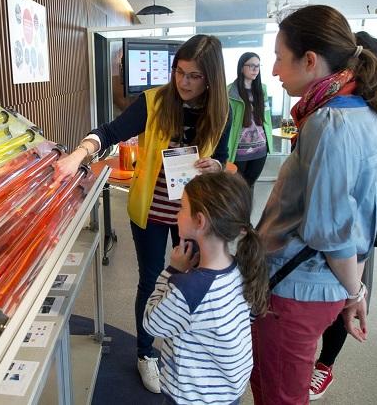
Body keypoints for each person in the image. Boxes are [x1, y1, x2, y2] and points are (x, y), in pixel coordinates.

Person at [54, 34, 232, 394]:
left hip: (193, 214)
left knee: (192, 281)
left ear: (211, 77)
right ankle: (145, 352)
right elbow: (107, 132)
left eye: (194, 75)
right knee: (151, 280)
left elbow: (227, 158)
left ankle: (183, 347)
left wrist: (217, 166)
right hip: (151, 210)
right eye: (179, 72)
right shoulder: (153, 102)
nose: (183, 82)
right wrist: (79, 154)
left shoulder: (221, 111)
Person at [250, 5, 377, 404]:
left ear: (310, 60)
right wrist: (354, 288)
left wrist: (354, 294)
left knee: (279, 393)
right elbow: (367, 214)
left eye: (280, 58)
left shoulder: (328, 123)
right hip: (318, 286)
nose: (275, 71)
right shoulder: (367, 114)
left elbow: (330, 230)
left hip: (296, 288)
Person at [309, 31, 377, 401]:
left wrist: (356, 166)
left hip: (361, 228)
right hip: (324, 225)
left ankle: (325, 365)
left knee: (348, 298)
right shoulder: (324, 115)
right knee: (323, 296)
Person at [142, 171, 269, 405]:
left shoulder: (190, 288)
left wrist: (172, 271)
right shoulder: (241, 267)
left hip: (190, 397)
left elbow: (152, 322)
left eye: (181, 208)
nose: (177, 213)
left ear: (199, 221)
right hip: (226, 393)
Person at [227, 52, 273, 190]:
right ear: (242, 67)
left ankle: (247, 212)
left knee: (250, 186)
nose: (255, 70)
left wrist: (268, 143)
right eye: (251, 66)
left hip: (260, 150)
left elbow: (266, 118)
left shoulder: (262, 89)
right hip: (239, 151)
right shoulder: (230, 92)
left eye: (258, 66)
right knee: (237, 189)